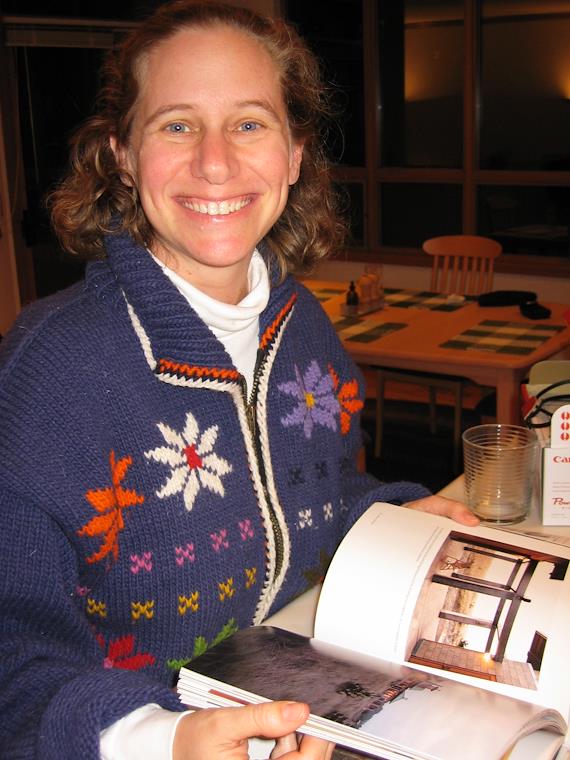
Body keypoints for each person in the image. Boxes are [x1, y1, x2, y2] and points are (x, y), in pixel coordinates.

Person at [0, 2, 477, 758]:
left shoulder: (304, 325)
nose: (215, 163)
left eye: (249, 123)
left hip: (310, 715)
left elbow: (309, 499)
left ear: (295, 154)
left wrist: (392, 518)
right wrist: (155, 739)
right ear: (122, 155)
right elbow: (13, 653)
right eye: (177, 125)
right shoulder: (46, 372)